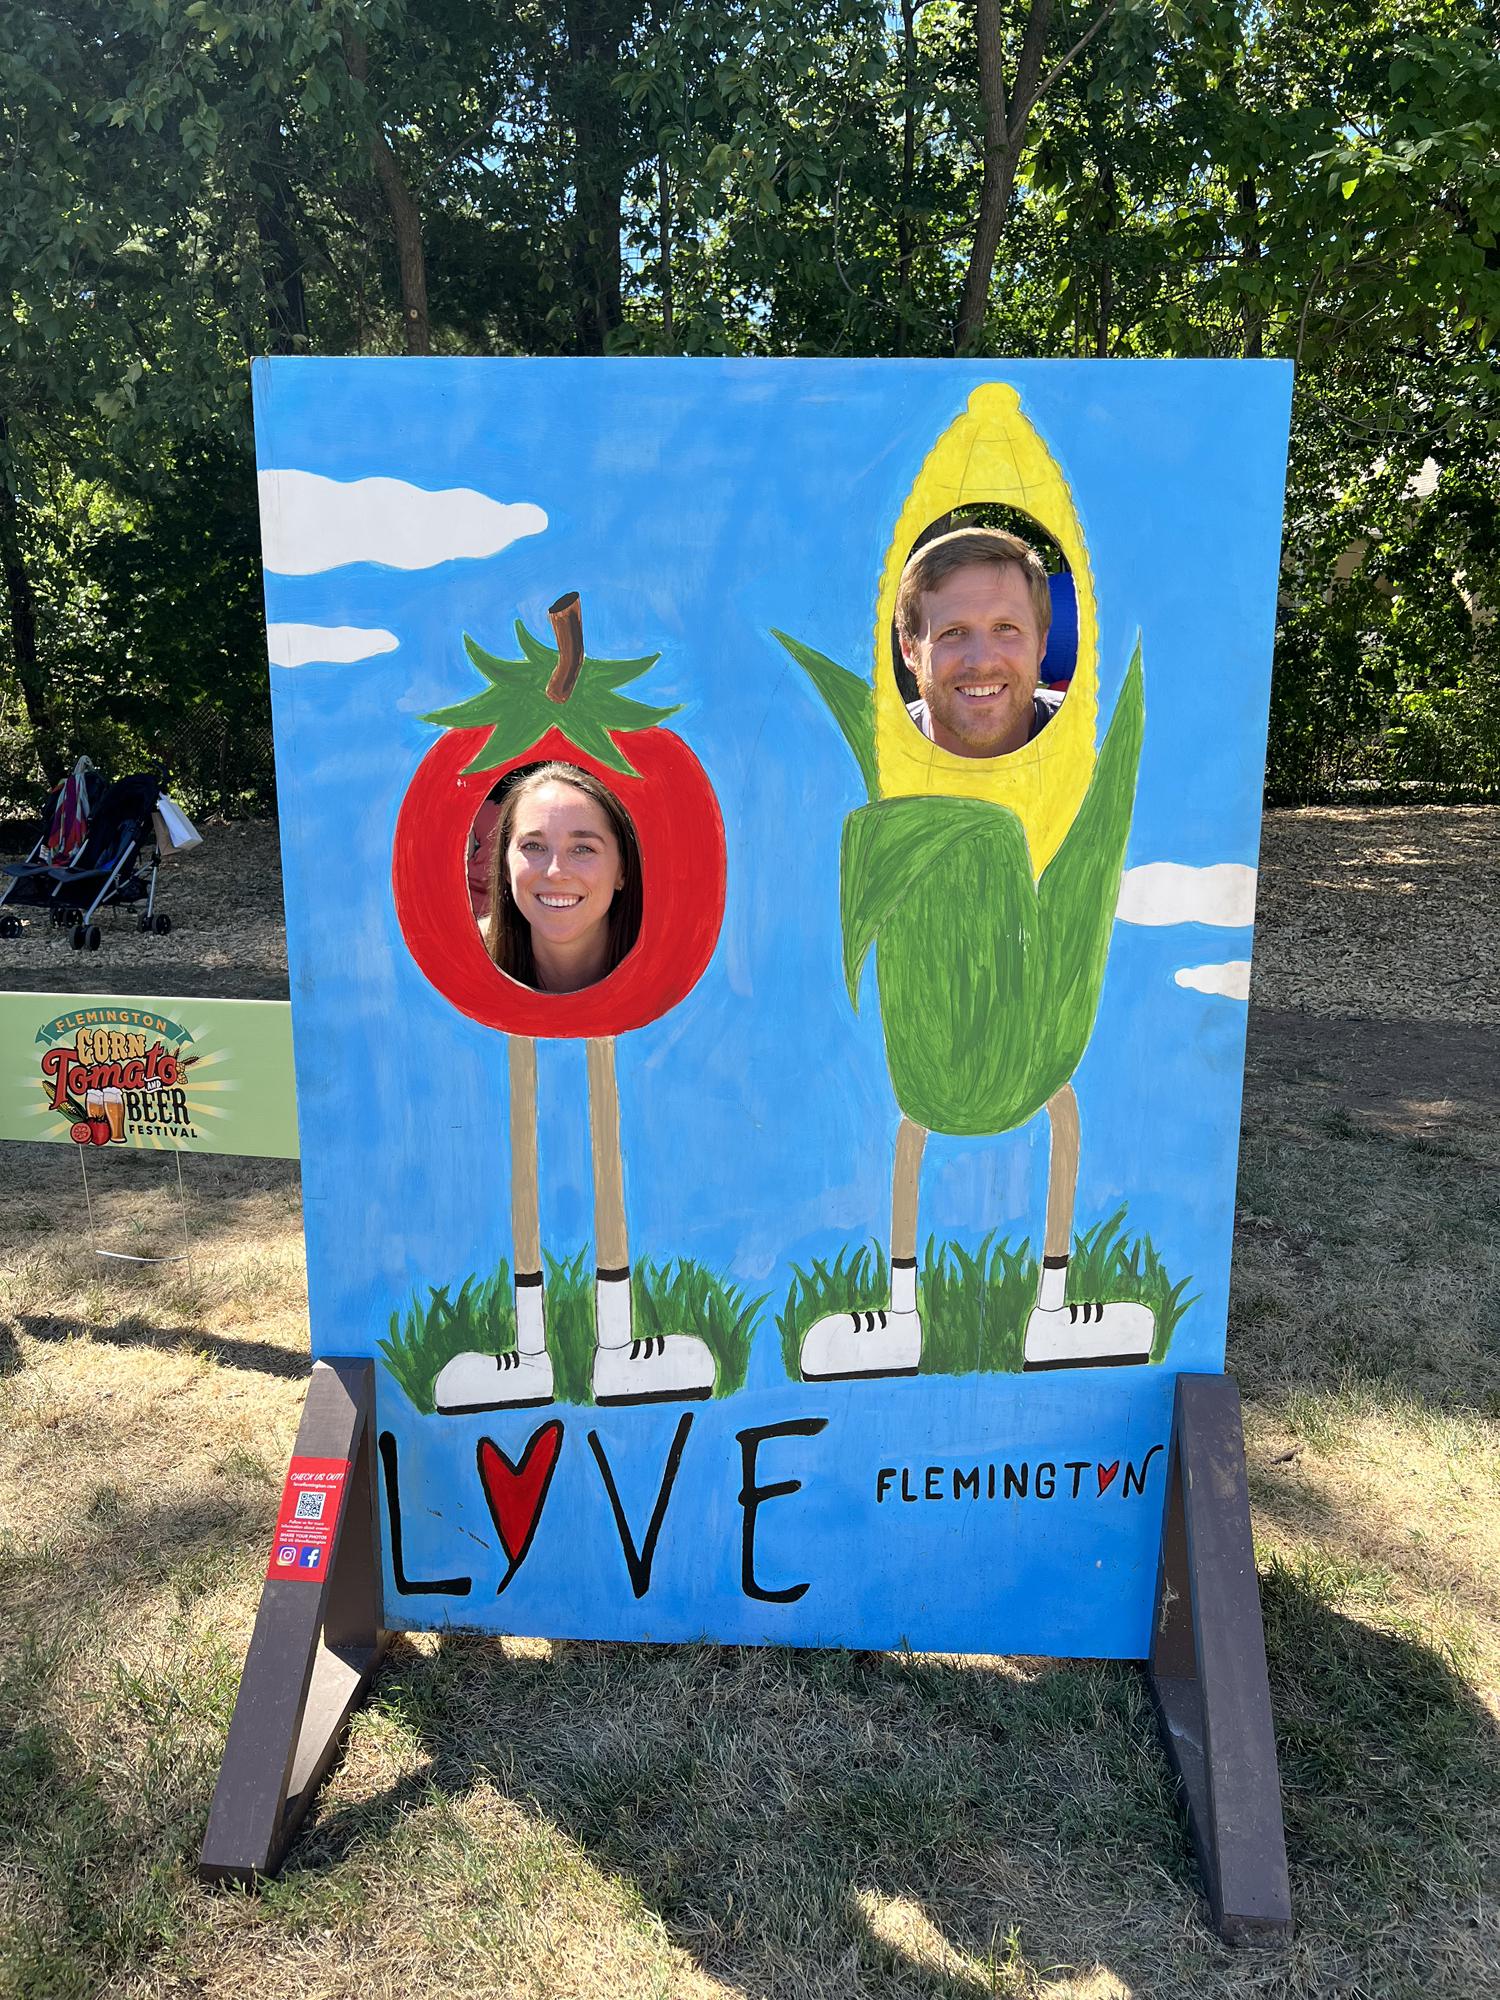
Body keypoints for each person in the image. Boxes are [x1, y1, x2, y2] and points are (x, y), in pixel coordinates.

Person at [897, 526, 1063, 759]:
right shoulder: (864, 761)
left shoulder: (1103, 738)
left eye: (1006, 628)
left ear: (1042, 643)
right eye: (953, 632)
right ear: (909, 650)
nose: (982, 661)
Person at [486, 762, 642, 991]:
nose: (555, 872)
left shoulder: (680, 985)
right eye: (533, 846)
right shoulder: (456, 960)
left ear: (622, 870)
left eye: (582, 849)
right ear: (506, 866)